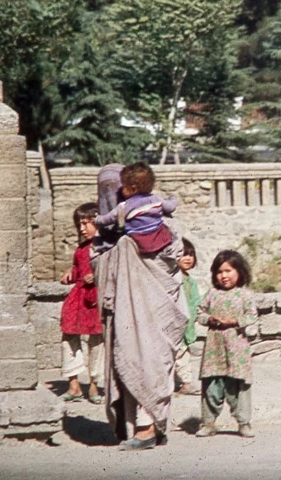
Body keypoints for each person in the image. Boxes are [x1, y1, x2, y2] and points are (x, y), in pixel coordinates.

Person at [91, 164, 189, 451]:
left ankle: (147, 429)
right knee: (133, 359)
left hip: (154, 309)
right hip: (123, 313)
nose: (113, 194)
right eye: (106, 190)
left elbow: (172, 259)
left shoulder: (156, 226)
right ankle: (138, 427)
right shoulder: (110, 238)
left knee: (146, 357)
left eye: (116, 189)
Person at [195, 250, 258, 439]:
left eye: (228, 271)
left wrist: (234, 321)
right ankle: (208, 423)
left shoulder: (244, 295)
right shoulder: (211, 294)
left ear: (240, 272)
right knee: (212, 387)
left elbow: (252, 315)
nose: (224, 276)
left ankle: (243, 423)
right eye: (220, 272)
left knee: (238, 387)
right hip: (214, 350)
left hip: (236, 350)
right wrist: (209, 319)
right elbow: (199, 313)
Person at [59, 202, 104, 404]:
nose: (82, 229)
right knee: (69, 335)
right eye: (80, 224)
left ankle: (94, 384)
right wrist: (71, 271)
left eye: (88, 223)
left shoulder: (107, 248)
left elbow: (115, 271)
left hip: (96, 299)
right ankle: (74, 384)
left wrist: (97, 275)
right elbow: (78, 266)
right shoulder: (81, 249)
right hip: (78, 298)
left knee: (97, 341)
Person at [95, 162, 178, 255]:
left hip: (138, 245)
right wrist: (173, 198)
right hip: (161, 240)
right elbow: (170, 207)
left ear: (133, 188)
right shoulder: (155, 199)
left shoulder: (124, 206)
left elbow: (107, 218)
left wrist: (97, 219)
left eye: (121, 186)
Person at [174, 237, 202, 396]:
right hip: (175, 324)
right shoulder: (173, 279)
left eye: (191, 255)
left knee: (183, 352)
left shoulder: (192, 282)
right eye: (184, 254)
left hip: (188, 324)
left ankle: (184, 382)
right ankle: (186, 382)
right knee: (180, 353)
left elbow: (197, 302)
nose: (188, 258)